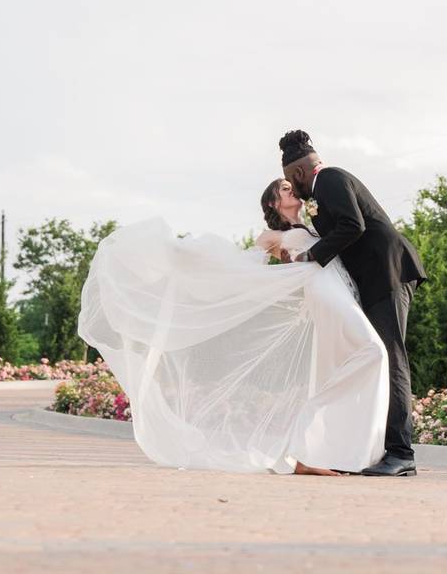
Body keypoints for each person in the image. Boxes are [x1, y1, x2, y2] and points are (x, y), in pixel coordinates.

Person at [77, 178, 390, 476]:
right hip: (322, 293)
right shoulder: (270, 235)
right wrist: (186, 256)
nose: (292, 190)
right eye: (284, 188)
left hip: (338, 291)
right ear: (273, 201)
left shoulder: (312, 227)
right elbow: (246, 264)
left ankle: (319, 452)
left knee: (334, 370)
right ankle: (309, 441)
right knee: (372, 352)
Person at [279, 129, 427, 477]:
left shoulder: (330, 178)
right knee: (379, 357)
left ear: (298, 173)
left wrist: (311, 257)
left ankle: (402, 453)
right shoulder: (321, 188)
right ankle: (376, 449)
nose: (290, 186)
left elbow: (352, 225)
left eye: (289, 179)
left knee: (391, 359)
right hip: (374, 281)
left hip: (388, 274)